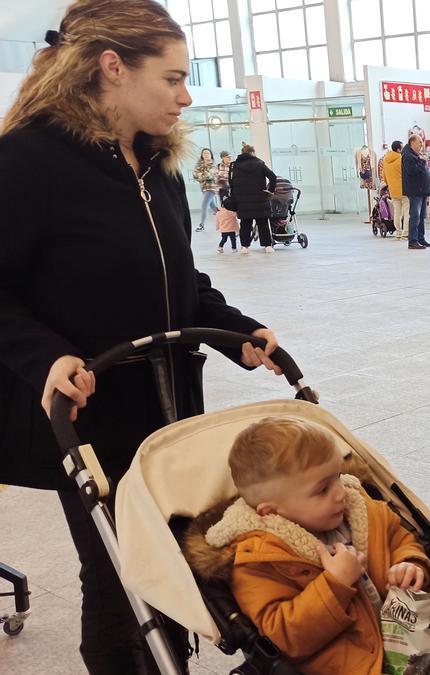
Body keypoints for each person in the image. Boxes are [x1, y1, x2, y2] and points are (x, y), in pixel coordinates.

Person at [0, 2, 284, 672]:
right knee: (117, 583)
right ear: (111, 68)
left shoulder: (159, 168)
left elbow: (178, 276)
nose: (187, 97)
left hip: (170, 410)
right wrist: (44, 356)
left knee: (173, 565)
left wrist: (235, 330)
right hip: (89, 417)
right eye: (173, 78)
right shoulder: (28, 161)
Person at [185, 416, 430, 675]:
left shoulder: (361, 510)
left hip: (408, 626)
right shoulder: (260, 558)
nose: (340, 492)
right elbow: (283, 635)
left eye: (338, 477)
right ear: (271, 511)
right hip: (349, 660)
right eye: (322, 489)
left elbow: (401, 540)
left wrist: (411, 564)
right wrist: (334, 585)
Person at [229, 142, 278, 253]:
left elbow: (233, 184)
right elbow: (273, 177)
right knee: (263, 223)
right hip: (260, 199)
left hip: (243, 201)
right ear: (252, 153)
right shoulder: (259, 163)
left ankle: (244, 247)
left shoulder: (235, 166)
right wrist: (270, 191)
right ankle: (267, 246)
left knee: (245, 223)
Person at [402, 133, 430, 250]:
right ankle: (413, 241)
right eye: (419, 142)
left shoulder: (415, 154)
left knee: (421, 216)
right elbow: (412, 171)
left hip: (421, 191)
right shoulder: (408, 156)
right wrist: (422, 161)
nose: (421, 144)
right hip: (416, 191)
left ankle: (420, 239)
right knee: (415, 216)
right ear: (412, 143)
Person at [381, 140, 408, 239]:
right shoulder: (401, 159)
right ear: (398, 149)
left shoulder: (385, 160)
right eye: (402, 147)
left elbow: (384, 176)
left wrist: (390, 185)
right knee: (406, 212)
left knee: (397, 213)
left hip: (393, 191)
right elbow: (406, 174)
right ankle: (405, 233)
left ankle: (398, 233)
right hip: (404, 190)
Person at [191, 147, 218, 231]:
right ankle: (226, 220)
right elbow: (194, 175)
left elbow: (209, 175)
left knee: (204, 206)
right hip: (203, 187)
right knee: (214, 207)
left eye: (208, 153)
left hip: (211, 188)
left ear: (211, 155)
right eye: (204, 153)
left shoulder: (213, 165)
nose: (206, 155)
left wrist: (200, 175)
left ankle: (201, 225)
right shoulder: (199, 164)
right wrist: (202, 176)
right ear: (202, 155)